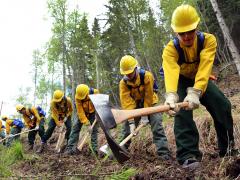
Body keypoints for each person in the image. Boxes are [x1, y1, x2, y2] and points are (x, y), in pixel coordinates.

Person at [162, 4, 237, 169]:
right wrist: (171, 96)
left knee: (222, 105)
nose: (187, 36)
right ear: (176, 32)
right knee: (182, 113)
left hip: (201, 78)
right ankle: (188, 155)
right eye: (182, 33)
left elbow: (205, 66)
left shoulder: (208, 40)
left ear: (197, 27)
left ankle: (229, 150)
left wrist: (196, 91)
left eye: (190, 31)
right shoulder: (170, 49)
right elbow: (171, 71)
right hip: (181, 80)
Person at [119, 55, 171, 160]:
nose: (128, 75)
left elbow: (148, 97)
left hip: (151, 103)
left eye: (130, 73)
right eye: (126, 74)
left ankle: (164, 154)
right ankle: (120, 151)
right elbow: (127, 104)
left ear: (135, 68)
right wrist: (131, 122)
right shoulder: (123, 83)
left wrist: (145, 116)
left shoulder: (147, 76)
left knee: (157, 125)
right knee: (126, 129)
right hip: (135, 105)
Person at [65, 84, 99, 155]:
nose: (81, 99)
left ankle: (94, 149)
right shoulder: (77, 97)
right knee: (75, 128)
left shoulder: (95, 92)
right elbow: (80, 111)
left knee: (94, 130)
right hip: (83, 112)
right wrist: (87, 124)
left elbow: (99, 104)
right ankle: (70, 148)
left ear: (87, 92)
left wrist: (97, 113)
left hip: (93, 112)